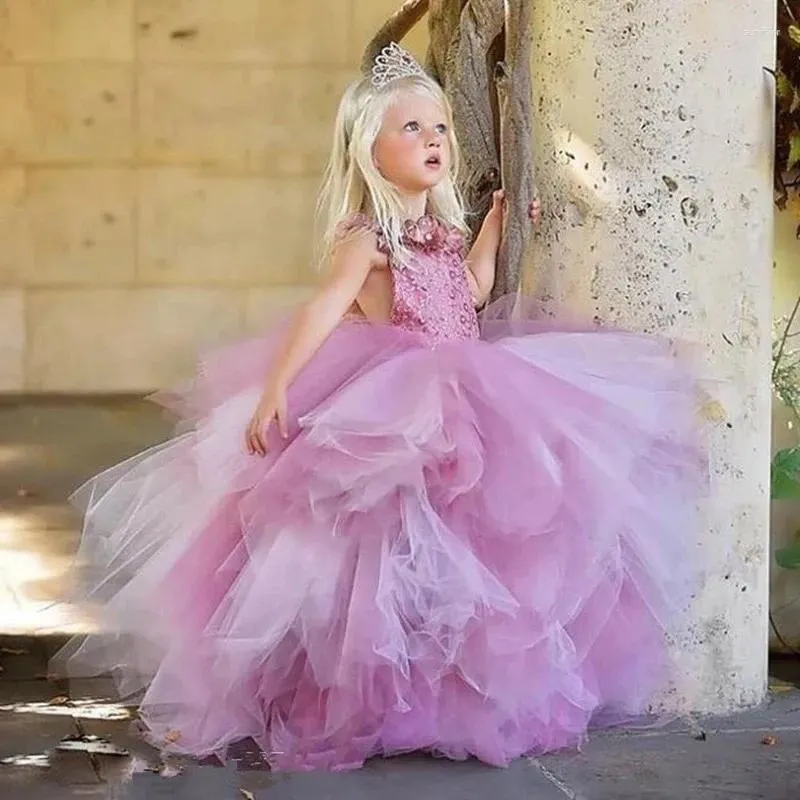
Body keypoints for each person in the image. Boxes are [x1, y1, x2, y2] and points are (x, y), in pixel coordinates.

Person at [52, 43, 704, 772]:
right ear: (369, 151)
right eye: (411, 129)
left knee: (467, 546)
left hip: (471, 390)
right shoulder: (367, 238)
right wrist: (276, 386)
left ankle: (447, 690)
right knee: (379, 546)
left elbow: (474, 292)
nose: (433, 141)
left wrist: (492, 228)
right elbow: (326, 307)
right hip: (396, 395)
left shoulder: (440, 233)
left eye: (439, 129)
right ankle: (366, 691)